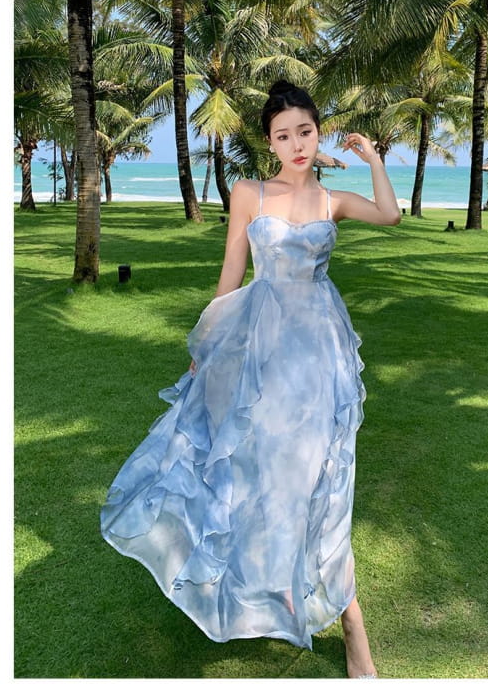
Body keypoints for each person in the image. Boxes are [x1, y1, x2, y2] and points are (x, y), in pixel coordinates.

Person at [100, 80, 400, 679]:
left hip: (320, 358)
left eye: (305, 132)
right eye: (284, 135)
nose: (297, 144)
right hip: (263, 357)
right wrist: (206, 347)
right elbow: (231, 275)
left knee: (324, 483)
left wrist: (373, 159)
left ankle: (351, 621)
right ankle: (272, 589)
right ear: (270, 142)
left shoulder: (332, 200)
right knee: (262, 477)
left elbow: (390, 214)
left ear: (318, 133)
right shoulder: (248, 193)